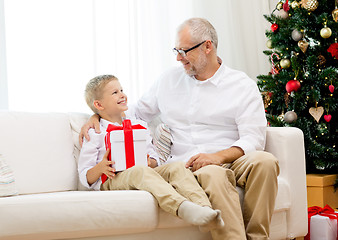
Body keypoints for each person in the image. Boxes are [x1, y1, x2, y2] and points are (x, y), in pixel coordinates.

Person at [80, 18, 280, 240]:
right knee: (213, 173)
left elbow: (253, 138)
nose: (178, 58)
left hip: (230, 155)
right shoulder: (169, 80)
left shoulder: (241, 85)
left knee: (266, 161)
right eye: (176, 50)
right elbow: (132, 112)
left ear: (207, 46)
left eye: (184, 51)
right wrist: (95, 115)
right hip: (190, 163)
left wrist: (218, 156)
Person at [78, 74, 224, 232]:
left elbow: (154, 157)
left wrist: (151, 162)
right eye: (115, 93)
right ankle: (182, 207)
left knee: (176, 167)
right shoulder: (95, 132)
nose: (122, 94)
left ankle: (204, 210)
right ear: (99, 104)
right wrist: (100, 168)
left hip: (142, 171)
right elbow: (84, 175)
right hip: (112, 180)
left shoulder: (138, 125)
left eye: (121, 90)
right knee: (139, 171)